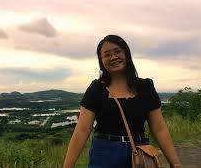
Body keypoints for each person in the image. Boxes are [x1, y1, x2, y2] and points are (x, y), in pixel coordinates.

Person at [63, 35, 182, 168]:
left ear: (126, 53)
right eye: (107, 55)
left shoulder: (145, 87)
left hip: (139, 154)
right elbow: (82, 130)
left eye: (117, 51)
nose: (113, 57)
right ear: (101, 61)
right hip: (104, 155)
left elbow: (159, 128)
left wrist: (175, 163)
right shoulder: (96, 89)